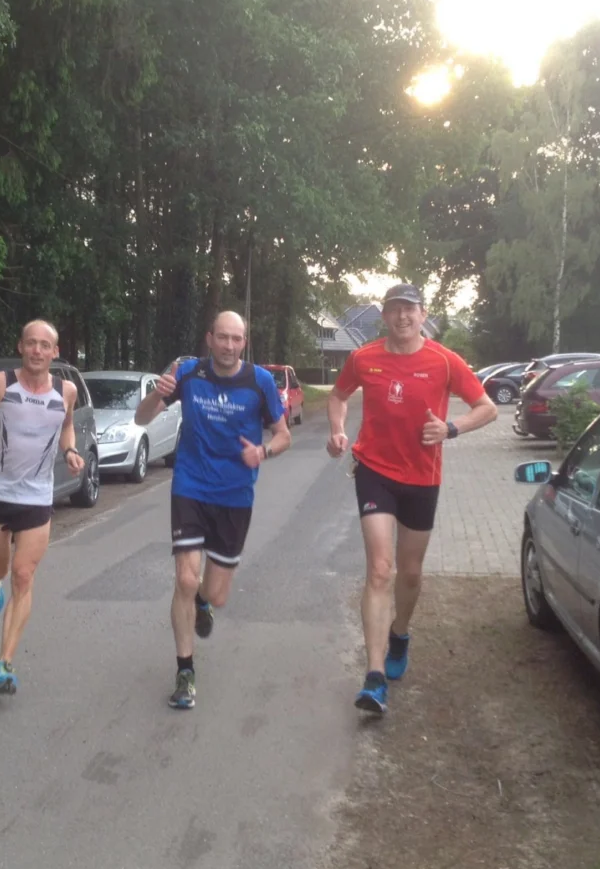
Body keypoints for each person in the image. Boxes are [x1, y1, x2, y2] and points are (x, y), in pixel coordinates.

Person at [326, 284, 497, 715]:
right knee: (380, 570)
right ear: (384, 317)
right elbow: (338, 395)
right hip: (374, 472)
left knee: (411, 573)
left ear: (423, 315)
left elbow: (487, 407)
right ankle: (375, 676)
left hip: (423, 477)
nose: (402, 317)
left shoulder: (443, 360)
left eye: (409, 310)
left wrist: (451, 429)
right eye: (394, 310)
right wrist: (337, 428)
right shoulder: (363, 358)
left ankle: (401, 631)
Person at [135, 311, 291, 709]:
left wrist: (264, 451)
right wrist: (157, 393)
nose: (229, 345)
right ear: (209, 339)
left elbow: (283, 434)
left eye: (236, 339)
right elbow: (141, 418)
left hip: (235, 494)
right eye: (222, 337)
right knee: (185, 580)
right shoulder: (187, 373)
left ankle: (204, 602)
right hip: (190, 485)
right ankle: (185, 670)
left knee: (216, 595)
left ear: (244, 342)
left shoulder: (261, 381)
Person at [0, 319, 85, 695]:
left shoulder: (66, 391)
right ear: (20, 346)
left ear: (55, 351)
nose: (37, 350)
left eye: (44, 345)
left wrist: (70, 449)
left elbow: (66, 427)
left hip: (36, 496)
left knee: (23, 575)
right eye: (31, 343)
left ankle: (4, 665)